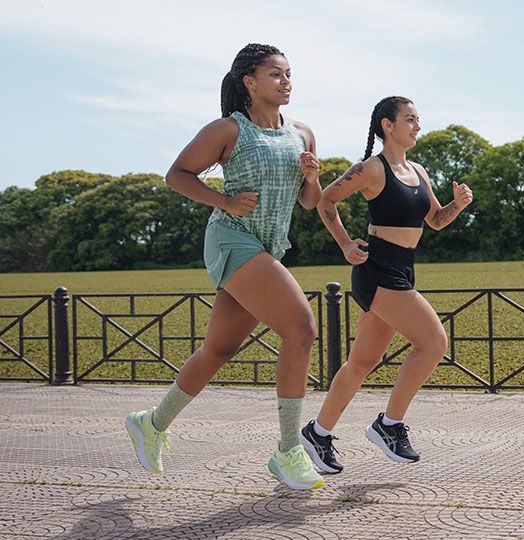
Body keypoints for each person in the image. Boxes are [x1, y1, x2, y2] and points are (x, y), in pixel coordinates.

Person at [124, 44, 325, 490]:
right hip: (232, 240)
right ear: (250, 82)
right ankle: (289, 450)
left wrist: (312, 177)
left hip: (268, 247)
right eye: (275, 74)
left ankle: (152, 423)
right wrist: (226, 201)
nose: (286, 81)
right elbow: (177, 174)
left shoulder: (303, 134)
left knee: (219, 350)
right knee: (301, 328)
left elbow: (309, 203)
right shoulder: (228, 129)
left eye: (289, 74)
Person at [300, 96, 473, 473]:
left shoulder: (418, 171)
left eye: (418, 120)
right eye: (409, 119)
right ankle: (389, 425)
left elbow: (437, 220)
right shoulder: (371, 170)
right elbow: (326, 200)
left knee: (362, 362)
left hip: (403, 268)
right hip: (377, 269)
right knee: (433, 343)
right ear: (387, 125)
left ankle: (317, 433)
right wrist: (346, 244)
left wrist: (457, 204)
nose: (417, 126)